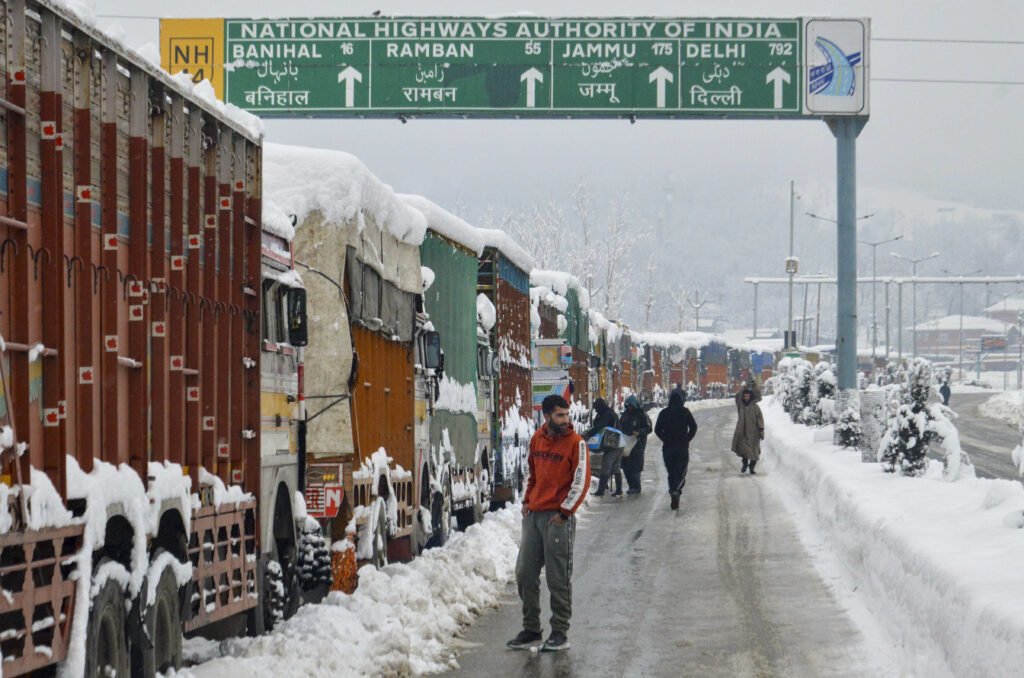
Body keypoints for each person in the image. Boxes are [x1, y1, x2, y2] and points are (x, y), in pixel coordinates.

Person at [507, 394, 589, 652]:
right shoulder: (536, 440)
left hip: (557, 518)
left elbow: (581, 480)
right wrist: (526, 501)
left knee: (558, 577)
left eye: (567, 415)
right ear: (547, 416)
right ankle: (531, 629)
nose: (565, 420)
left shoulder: (577, 443)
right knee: (524, 573)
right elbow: (533, 474)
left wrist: (565, 513)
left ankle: (560, 632)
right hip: (534, 516)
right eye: (560, 415)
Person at [654, 389, 698, 510]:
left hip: (667, 448)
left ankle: (673, 490)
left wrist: (665, 439)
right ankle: (676, 490)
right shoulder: (685, 412)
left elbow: (657, 429)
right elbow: (693, 427)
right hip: (682, 447)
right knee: (681, 470)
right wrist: (687, 439)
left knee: (671, 471)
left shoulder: (663, 413)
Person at [584, 397, 622, 497]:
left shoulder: (607, 414)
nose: (596, 410)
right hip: (619, 442)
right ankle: (619, 491)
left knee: (606, 465)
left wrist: (588, 435)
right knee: (616, 467)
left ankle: (601, 491)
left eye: (597, 408)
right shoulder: (609, 412)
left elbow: (599, 426)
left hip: (613, 443)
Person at [619, 394, 653, 494]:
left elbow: (648, 428)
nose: (629, 408)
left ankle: (636, 486)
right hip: (626, 442)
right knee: (625, 465)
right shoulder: (625, 415)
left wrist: (639, 432)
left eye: (631, 406)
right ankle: (631, 486)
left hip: (638, 443)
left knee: (635, 465)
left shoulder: (641, 414)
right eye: (628, 406)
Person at [732, 383, 765, 474]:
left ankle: (752, 467)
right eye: (744, 396)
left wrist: (761, 430)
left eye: (747, 396)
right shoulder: (741, 406)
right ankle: (745, 464)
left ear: (750, 396)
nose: (746, 397)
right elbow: (738, 396)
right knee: (744, 450)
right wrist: (743, 388)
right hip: (742, 431)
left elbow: (760, 418)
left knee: (755, 452)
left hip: (754, 432)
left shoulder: (755, 407)